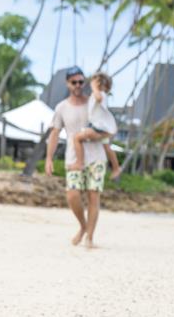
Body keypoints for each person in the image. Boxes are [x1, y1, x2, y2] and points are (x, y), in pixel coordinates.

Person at [45, 66, 119, 248]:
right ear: (67, 83)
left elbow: (106, 128)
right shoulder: (61, 107)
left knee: (94, 196)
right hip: (73, 157)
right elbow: (55, 133)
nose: (78, 85)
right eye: (74, 82)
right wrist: (49, 158)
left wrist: (101, 137)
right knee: (72, 195)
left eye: (80, 81)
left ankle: (90, 238)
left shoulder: (93, 102)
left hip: (96, 157)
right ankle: (83, 226)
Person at [67, 70, 119, 177]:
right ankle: (116, 168)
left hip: (98, 128)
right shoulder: (97, 95)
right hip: (101, 128)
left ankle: (79, 163)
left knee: (77, 138)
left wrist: (95, 87)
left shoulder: (100, 95)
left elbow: (98, 98)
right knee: (107, 147)